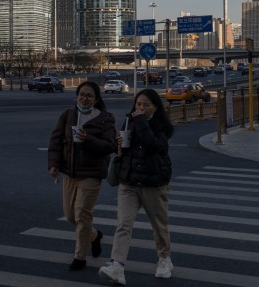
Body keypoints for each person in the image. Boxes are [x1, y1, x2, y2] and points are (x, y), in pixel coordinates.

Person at [98, 88, 174, 285]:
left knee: (159, 225)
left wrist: (140, 121)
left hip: (152, 182)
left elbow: (155, 145)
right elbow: (122, 149)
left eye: (146, 105)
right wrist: (120, 144)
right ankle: (117, 266)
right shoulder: (128, 121)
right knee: (123, 224)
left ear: (155, 108)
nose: (140, 108)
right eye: (138, 104)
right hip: (129, 181)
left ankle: (164, 259)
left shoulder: (162, 126)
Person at [48, 81, 117, 271]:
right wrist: (54, 165)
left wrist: (88, 140)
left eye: (89, 96)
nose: (85, 98)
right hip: (70, 173)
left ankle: (80, 257)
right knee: (70, 215)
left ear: (96, 100)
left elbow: (109, 146)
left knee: (82, 214)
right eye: (82, 95)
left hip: (91, 174)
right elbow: (55, 142)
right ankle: (94, 236)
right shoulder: (68, 115)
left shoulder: (105, 119)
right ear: (76, 96)